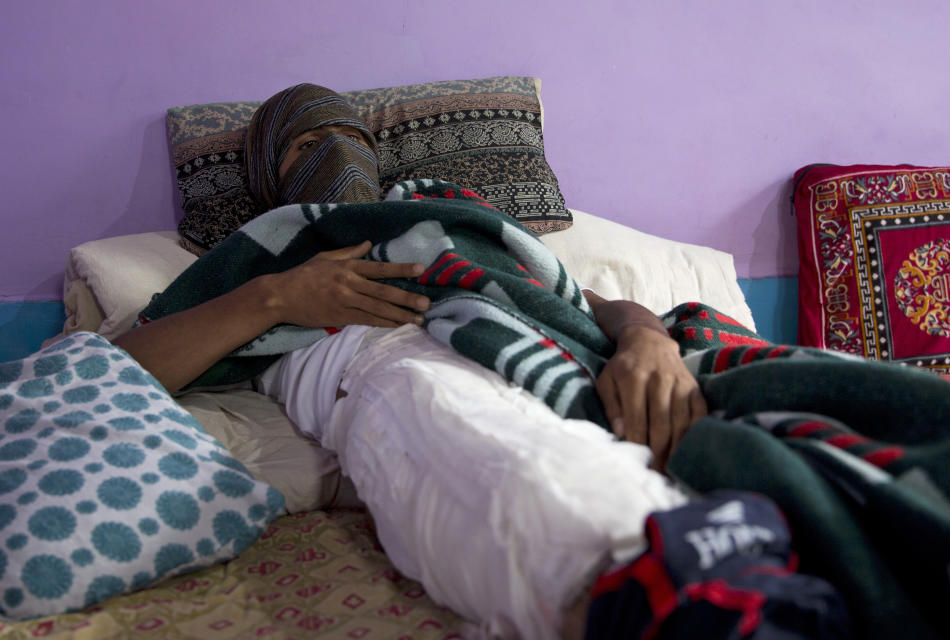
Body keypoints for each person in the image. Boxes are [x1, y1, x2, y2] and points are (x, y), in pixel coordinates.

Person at [113, 83, 706, 639]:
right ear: (271, 175)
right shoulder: (262, 251)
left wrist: (647, 340)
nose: (340, 151)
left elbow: (586, 303)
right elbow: (113, 371)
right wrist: (276, 297)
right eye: (308, 145)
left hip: (542, 347)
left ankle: (687, 567)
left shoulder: (446, 210)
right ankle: (662, 577)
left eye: (354, 136)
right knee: (458, 433)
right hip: (385, 360)